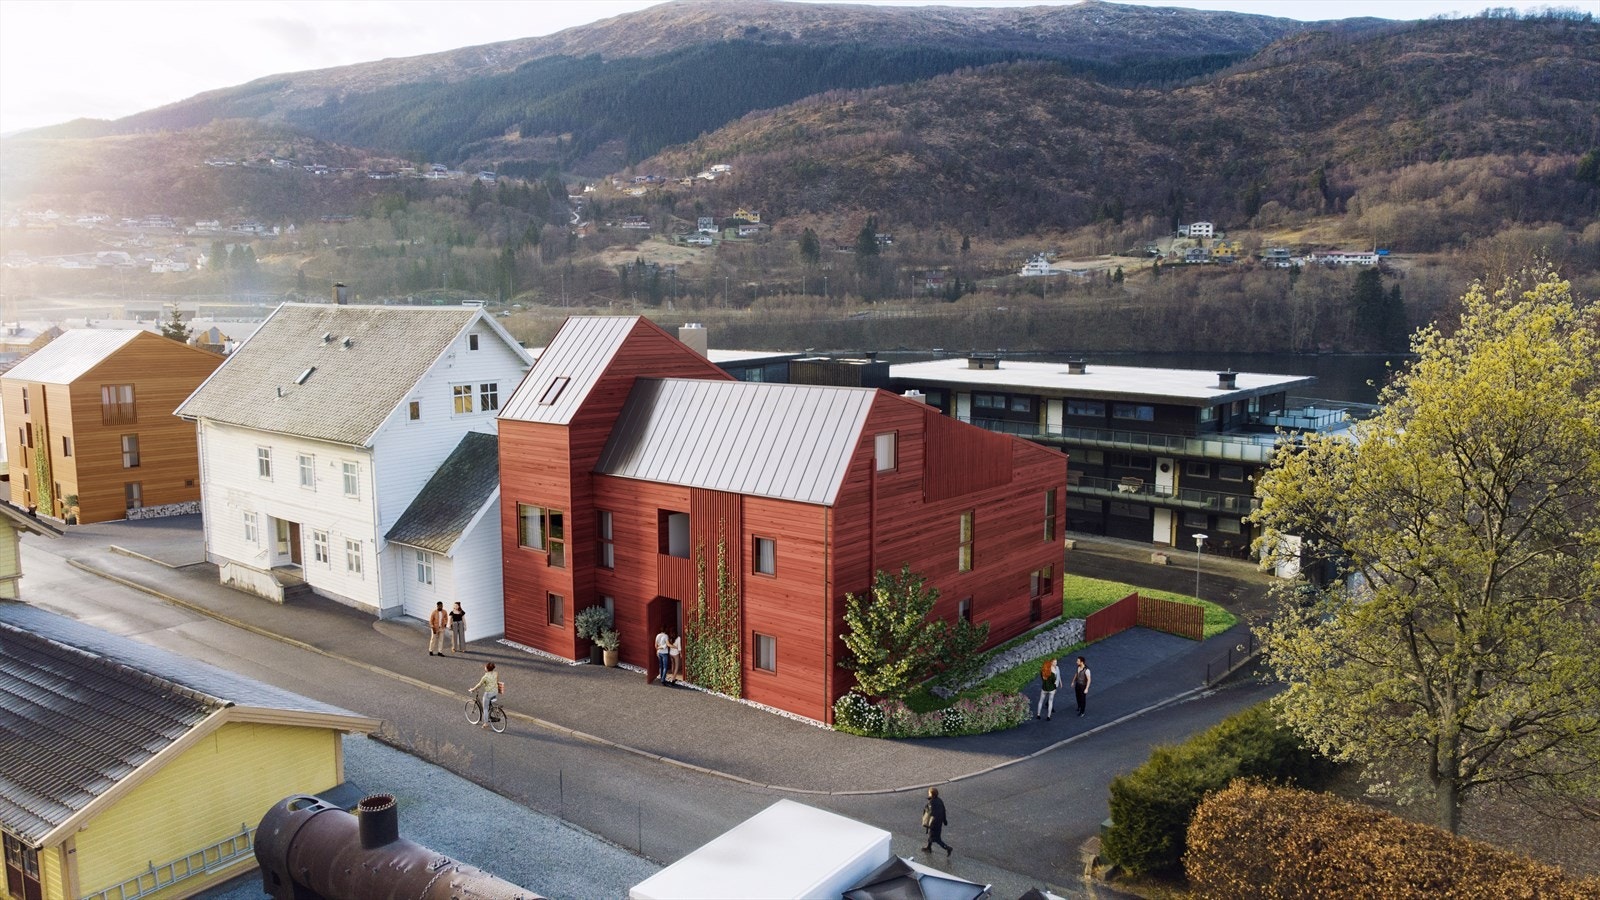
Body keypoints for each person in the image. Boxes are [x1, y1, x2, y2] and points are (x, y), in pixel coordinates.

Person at [920, 787, 952, 857]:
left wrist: (926, 808)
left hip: (933, 823)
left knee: (937, 839)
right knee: (931, 836)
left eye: (929, 792)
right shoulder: (939, 800)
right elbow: (943, 810)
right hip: (939, 823)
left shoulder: (931, 802)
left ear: (932, 794)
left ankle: (947, 848)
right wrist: (944, 820)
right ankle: (929, 847)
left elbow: (931, 813)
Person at [470, 662, 500, 730]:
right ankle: (491, 712)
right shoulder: (496, 673)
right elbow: (497, 682)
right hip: (495, 692)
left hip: (488, 693)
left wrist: (472, 689)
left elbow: (479, 685)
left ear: (487, 669)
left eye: (485, 667)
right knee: (489, 704)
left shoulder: (485, 677)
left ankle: (486, 723)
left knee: (485, 708)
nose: (484, 667)